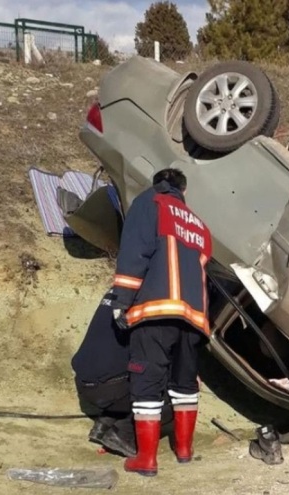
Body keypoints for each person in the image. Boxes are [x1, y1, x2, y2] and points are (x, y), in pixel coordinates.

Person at [109, 167, 212, 477]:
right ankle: (184, 450)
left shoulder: (149, 202)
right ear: (183, 190)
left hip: (155, 310)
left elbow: (135, 251)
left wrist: (122, 300)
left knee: (147, 381)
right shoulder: (199, 223)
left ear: (158, 185)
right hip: (193, 317)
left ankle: (147, 459)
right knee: (184, 384)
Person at [70, 289, 138, 458]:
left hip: (85, 380)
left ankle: (104, 424)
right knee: (172, 385)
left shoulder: (118, 290)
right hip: (107, 387)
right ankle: (123, 434)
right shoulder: (146, 298)